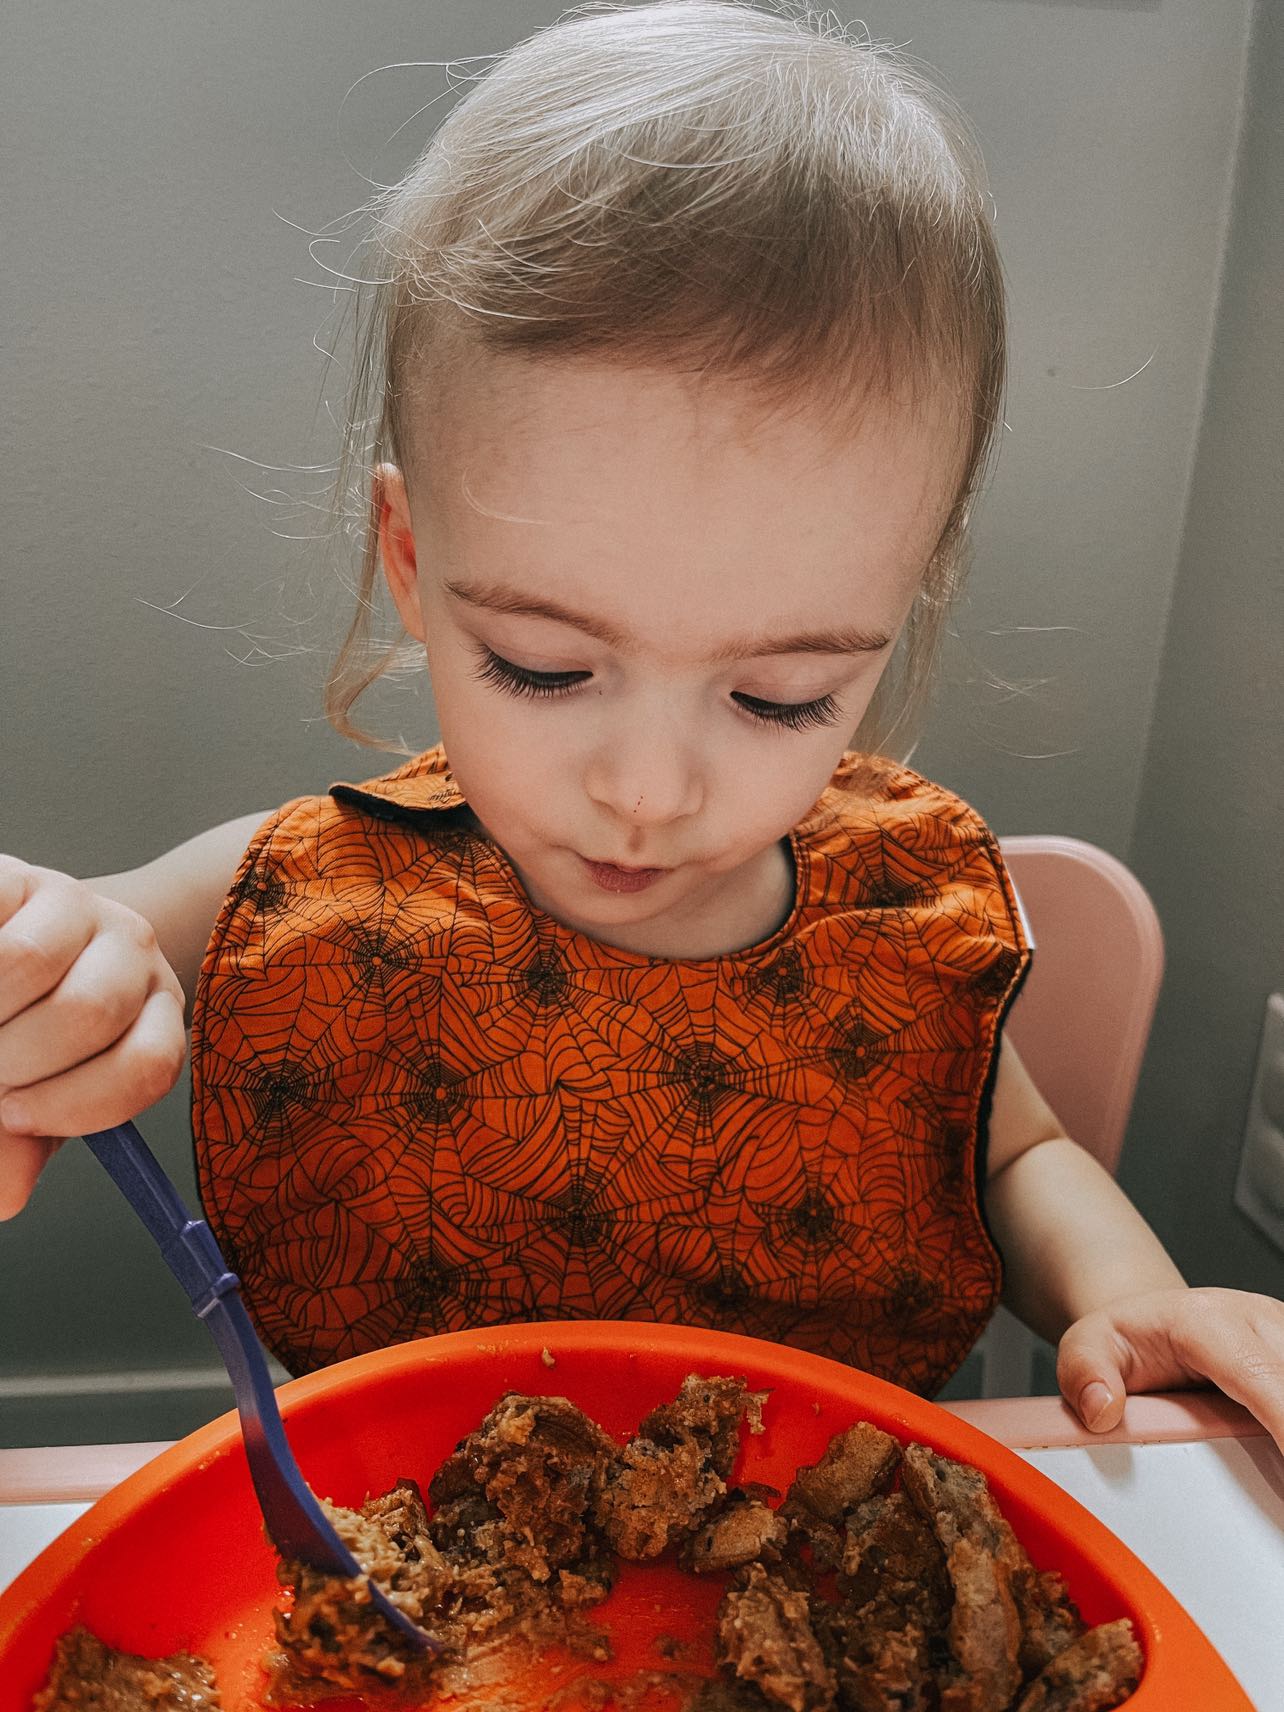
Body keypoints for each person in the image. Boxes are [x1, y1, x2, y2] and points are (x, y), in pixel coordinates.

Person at [2, 0, 1281, 1445]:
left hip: (826, 1535)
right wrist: (50, 971)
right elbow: (73, 940)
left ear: (898, 608)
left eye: (779, 695)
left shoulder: (905, 920)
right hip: (397, 1531)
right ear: (411, 563)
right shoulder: (303, 893)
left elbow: (1017, 1155)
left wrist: (1131, 1299)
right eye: (545, 667)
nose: (650, 789)